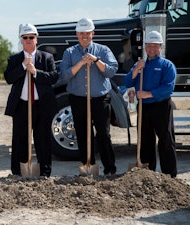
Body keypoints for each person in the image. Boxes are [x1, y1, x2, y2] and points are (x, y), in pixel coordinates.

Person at [60, 18, 118, 175]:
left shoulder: (103, 50)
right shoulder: (70, 53)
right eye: (81, 33)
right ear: (77, 34)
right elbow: (64, 76)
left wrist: (96, 60)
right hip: (78, 99)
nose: (84, 36)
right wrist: (80, 64)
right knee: (83, 133)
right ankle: (88, 166)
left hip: (100, 99)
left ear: (93, 33)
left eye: (87, 33)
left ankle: (110, 169)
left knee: (103, 134)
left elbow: (111, 71)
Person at [4, 23, 58, 177]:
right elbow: (8, 78)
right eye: (25, 37)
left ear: (36, 39)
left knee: (43, 139)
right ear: (21, 39)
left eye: (31, 37)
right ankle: (18, 171)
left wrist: (35, 72)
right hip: (21, 105)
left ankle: (45, 172)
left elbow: (53, 77)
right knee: (20, 139)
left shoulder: (46, 58)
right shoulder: (14, 59)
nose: (28, 40)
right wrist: (22, 66)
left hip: (41, 105)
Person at [124, 31, 177, 178]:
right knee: (145, 140)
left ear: (161, 47)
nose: (152, 49)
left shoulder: (167, 66)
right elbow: (128, 82)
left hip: (161, 106)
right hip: (144, 107)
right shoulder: (139, 65)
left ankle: (170, 175)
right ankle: (148, 174)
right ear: (145, 47)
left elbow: (168, 88)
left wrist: (148, 94)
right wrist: (136, 69)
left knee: (166, 139)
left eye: (155, 46)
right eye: (149, 45)